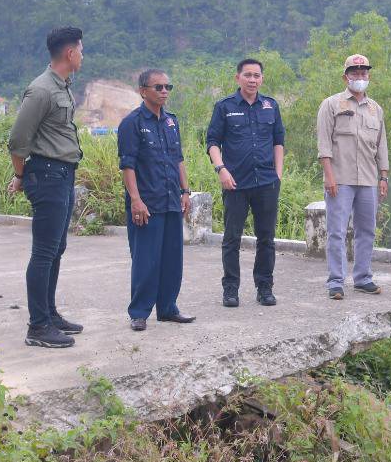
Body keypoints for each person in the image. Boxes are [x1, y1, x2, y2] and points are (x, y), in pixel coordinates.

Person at [7, 26, 86, 349]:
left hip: (62, 174)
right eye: (81, 50)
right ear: (70, 53)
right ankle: (37, 326)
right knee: (43, 252)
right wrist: (22, 175)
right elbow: (17, 140)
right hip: (48, 175)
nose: (83, 55)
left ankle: (49, 314)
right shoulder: (41, 90)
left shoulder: (61, 86)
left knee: (56, 249)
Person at [118, 69, 197, 332]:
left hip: (171, 200)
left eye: (167, 87)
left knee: (172, 259)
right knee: (146, 260)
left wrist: (185, 192)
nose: (164, 91)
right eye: (158, 87)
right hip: (147, 204)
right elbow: (128, 166)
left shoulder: (171, 122)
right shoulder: (132, 123)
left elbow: (178, 160)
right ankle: (139, 312)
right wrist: (136, 200)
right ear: (143, 91)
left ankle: (167, 308)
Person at [206, 58, 286, 307]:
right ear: (237, 77)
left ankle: (265, 288)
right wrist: (221, 169)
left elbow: (278, 142)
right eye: (248, 75)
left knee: (266, 238)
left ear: (262, 78)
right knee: (232, 238)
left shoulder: (270, 106)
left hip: (266, 182)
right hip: (235, 183)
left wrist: (278, 175)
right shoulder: (225, 107)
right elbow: (212, 142)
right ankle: (230, 289)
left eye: (257, 75)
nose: (253, 80)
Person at [315, 53, 389, 299]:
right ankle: (336, 281)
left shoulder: (375, 109)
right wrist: (329, 176)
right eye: (355, 72)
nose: (360, 76)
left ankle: (362, 277)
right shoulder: (331, 104)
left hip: (368, 179)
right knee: (336, 231)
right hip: (340, 178)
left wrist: (384, 176)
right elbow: (324, 143)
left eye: (364, 72)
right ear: (345, 76)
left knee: (366, 230)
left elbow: (381, 145)